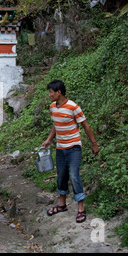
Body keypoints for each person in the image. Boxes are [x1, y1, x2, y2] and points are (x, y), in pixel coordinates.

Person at [41, 80, 99, 223]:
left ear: (58, 92)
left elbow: (85, 125)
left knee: (74, 175)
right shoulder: (53, 107)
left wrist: (94, 144)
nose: (49, 95)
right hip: (60, 148)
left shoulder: (73, 107)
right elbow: (56, 124)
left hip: (74, 148)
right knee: (61, 176)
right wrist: (49, 140)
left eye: (51, 92)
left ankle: (81, 208)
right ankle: (62, 205)